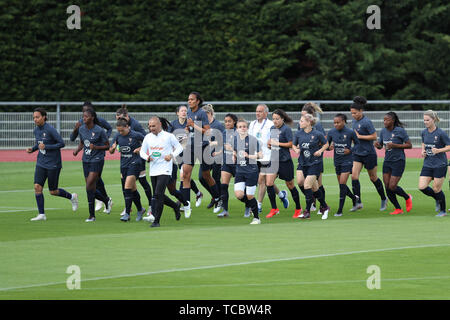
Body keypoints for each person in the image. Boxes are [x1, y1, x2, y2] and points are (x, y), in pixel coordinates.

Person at [28, 108, 78, 221]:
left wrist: (47, 147)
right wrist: (33, 148)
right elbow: (39, 143)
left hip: (53, 164)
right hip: (41, 163)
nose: (35, 119)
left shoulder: (50, 129)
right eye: (34, 118)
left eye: (37, 117)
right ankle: (41, 214)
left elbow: (61, 143)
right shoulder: (36, 130)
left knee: (53, 191)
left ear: (44, 117)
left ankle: (72, 197)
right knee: (37, 187)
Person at [180, 92, 221, 217]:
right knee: (185, 175)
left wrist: (194, 125)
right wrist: (186, 131)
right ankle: (187, 205)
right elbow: (189, 128)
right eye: (188, 99)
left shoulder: (202, 113)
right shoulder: (189, 112)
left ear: (197, 101)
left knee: (206, 175)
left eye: (192, 99)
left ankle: (218, 198)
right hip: (191, 147)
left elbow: (207, 132)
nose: (189, 101)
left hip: (203, 147)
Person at [140, 117, 183, 227]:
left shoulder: (169, 136)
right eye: (149, 126)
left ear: (159, 125)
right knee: (158, 195)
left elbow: (179, 147)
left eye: (153, 126)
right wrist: (147, 157)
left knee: (158, 194)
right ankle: (175, 206)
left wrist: (172, 155)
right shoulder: (148, 137)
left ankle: (156, 221)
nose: (151, 128)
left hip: (165, 169)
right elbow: (142, 152)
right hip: (153, 169)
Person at [70, 102, 112, 214]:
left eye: (86, 116)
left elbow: (108, 146)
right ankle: (106, 200)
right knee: (91, 187)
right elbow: (82, 142)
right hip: (86, 159)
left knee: (89, 185)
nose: (83, 118)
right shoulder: (81, 128)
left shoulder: (99, 129)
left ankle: (91, 216)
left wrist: (97, 147)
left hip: (97, 159)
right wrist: (77, 150)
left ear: (92, 117)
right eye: (83, 115)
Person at [248, 104, 289, 216]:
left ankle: (259, 205)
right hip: (256, 156)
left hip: (268, 156)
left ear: (266, 113)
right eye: (257, 111)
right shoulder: (252, 124)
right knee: (265, 181)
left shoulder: (271, 124)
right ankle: (281, 195)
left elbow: (274, 140)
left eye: (260, 111)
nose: (258, 113)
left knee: (262, 181)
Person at [350, 96, 388, 211]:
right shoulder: (353, 121)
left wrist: (360, 136)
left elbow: (374, 136)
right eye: (351, 113)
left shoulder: (367, 122)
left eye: (355, 113)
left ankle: (383, 198)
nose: (353, 115)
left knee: (373, 177)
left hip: (369, 153)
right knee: (354, 176)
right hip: (357, 153)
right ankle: (358, 202)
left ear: (361, 111)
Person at [115, 105, 153, 217]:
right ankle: (135, 207)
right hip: (126, 162)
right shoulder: (120, 131)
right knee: (130, 186)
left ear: (126, 118)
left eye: (120, 119)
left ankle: (150, 205)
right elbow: (115, 142)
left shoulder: (135, 125)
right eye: (117, 119)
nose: (119, 121)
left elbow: (147, 139)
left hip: (138, 160)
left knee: (142, 181)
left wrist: (141, 149)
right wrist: (114, 147)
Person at [265, 109, 302, 219]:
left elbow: (291, 144)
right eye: (273, 119)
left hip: (285, 161)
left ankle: (298, 208)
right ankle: (274, 209)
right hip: (274, 160)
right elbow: (271, 143)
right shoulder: (272, 128)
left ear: (282, 119)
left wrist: (277, 143)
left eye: (277, 119)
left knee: (290, 185)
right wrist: (269, 145)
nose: (275, 121)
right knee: (269, 183)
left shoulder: (286, 129)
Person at [374, 112, 413, 215]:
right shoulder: (383, 131)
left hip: (398, 161)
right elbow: (381, 145)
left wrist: (395, 145)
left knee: (392, 186)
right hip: (387, 161)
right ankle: (398, 209)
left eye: (386, 120)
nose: (384, 122)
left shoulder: (400, 131)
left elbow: (409, 145)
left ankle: (407, 197)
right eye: (384, 120)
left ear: (392, 121)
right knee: (387, 186)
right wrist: (377, 145)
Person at [293, 113, 330, 219]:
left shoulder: (317, 134)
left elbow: (326, 144)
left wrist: (320, 151)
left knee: (307, 185)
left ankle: (307, 211)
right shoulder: (298, 134)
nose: (299, 123)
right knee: (313, 188)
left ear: (308, 122)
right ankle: (324, 206)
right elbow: (293, 145)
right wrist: (296, 150)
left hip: (315, 163)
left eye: (301, 121)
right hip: (303, 163)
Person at [109, 118, 147, 222]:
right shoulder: (117, 136)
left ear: (127, 127)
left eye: (122, 130)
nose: (120, 132)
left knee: (127, 188)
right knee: (132, 189)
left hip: (135, 163)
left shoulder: (136, 135)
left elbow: (148, 142)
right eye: (119, 131)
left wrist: (140, 149)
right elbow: (111, 150)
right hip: (124, 165)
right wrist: (112, 149)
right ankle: (140, 209)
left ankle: (127, 214)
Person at [169, 105, 203, 208]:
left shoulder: (191, 123)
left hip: (190, 152)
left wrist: (189, 134)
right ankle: (198, 193)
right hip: (178, 154)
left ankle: (185, 203)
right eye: (182, 111)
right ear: (177, 113)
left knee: (183, 176)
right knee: (185, 176)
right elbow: (169, 138)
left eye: (185, 111)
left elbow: (199, 136)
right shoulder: (173, 124)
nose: (184, 112)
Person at [418, 110, 450, 217]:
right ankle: (437, 198)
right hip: (427, 163)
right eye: (424, 120)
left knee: (436, 188)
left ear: (433, 120)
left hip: (440, 164)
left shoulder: (441, 133)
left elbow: (449, 146)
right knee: (422, 187)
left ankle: (443, 211)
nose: (425, 122)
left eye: (427, 120)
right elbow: (423, 142)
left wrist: (439, 150)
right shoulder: (423, 132)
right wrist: (422, 151)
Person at [326, 113, 359, 216]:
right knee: (342, 185)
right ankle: (354, 198)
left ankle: (340, 211)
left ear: (344, 122)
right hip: (337, 161)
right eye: (334, 123)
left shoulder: (350, 132)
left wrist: (350, 150)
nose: (336, 124)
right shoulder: (331, 132)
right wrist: (329, 148)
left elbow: (357, 144)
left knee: (342, 184)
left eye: (338, 122)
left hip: (347, 161)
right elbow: (326, 145)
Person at [232, 119, 263, 224]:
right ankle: (252, 204)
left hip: (251, 171)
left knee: (250, 195)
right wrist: (234, 155)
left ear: (247, 128)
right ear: (236, 129)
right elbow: (235, 151)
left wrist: (249, 156)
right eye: (240, 127)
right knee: (239, 195)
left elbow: (260, 154)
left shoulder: (253, 140)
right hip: (240, 171)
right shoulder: (235, 140)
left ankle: (256, 218)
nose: (242, 128)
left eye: (244, 126)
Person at [298, 102, 327, 213]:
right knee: (301, 182)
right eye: (301, 115)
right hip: (304, 159)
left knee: (318, 184)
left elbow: (323, 140)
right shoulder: (300, 124)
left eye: (304, 115)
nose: (302, 117)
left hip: (315, 159)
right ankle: (312, 201)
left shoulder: (317, 126)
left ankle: (322, 206)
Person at [211, 113, 238, 217]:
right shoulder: (224, 133)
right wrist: (218, 153)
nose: (227, 123)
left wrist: (232, 149)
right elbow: (223, 146)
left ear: (234, 122)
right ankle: (225, 210)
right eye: (225, 121)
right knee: (223, 186)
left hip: (237, 163)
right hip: (226, 162)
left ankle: (249, 207)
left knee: (241, 191)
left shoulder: (238, 133)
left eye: (229, 121)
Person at [201, 104, 225, 213]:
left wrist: (212, 143)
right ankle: (215, 196)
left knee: (216, 177)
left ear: (209, 113)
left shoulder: (218, 125)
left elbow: (222, 141)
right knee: (202, 177)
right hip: (205, 156)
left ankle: (220, 200)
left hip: (217, 155)